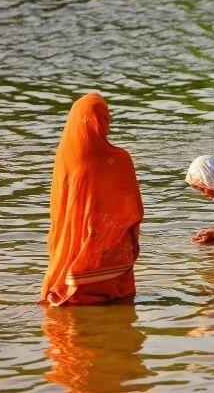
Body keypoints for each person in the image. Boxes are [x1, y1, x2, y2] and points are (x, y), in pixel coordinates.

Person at [39, 91, 143, 306]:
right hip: (107, 250)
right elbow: (132, 209)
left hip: (72, 240)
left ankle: (72, 287)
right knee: (120, 303)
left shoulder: (64, 155)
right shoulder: (119, 159)